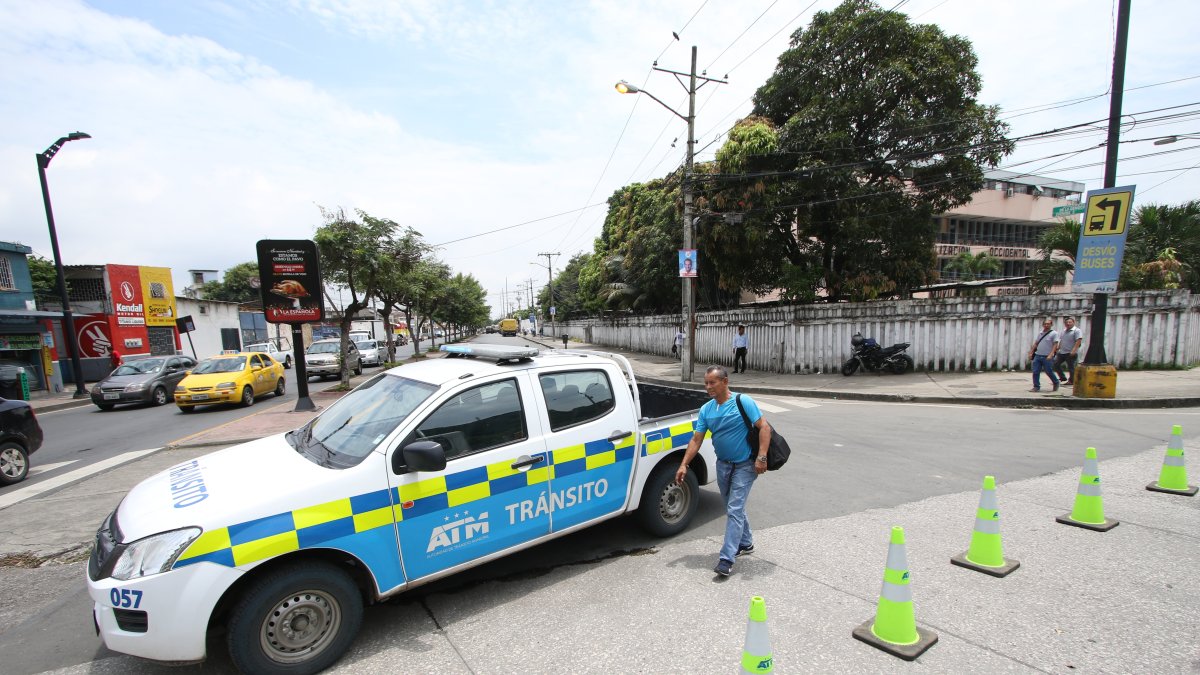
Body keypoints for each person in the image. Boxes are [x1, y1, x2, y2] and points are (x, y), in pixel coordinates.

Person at [675, 365, 772, 577]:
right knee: (732, 506)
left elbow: (764, 428)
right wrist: (684, 464)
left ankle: (726, 558)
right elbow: (696, 439)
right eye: (706, 383)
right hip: (723, 465)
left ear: (725, 382)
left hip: (746, 464)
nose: (708, 387)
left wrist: (761, 457)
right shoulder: (706, 410)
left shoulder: (742, 402)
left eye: (712, 382)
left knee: (735, 508)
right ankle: (745, 542)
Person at [1028, 318, 1060, 392]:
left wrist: (1051, 354)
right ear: (1043, 325)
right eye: (1045, 324)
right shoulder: (1040, 333)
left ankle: (1056, 382)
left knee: (1048, 371)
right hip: (1038, 355)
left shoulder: (1054, 333)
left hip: (1047, 356)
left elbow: (1055, 344)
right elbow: (1036, 343)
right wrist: (1031, 352)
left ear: (1051, 325)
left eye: (1048, 324)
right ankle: (1036, 386)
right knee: (1035, 371)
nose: (1046, 325)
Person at [1054, 316, 1083, 385]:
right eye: (1066, 322)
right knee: (1056, 364)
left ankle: (1072, 381)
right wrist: (1058, 348)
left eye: (1070, 322)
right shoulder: (1064, 331)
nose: (1068, 323)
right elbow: (1061, 340)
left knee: (1071, 367)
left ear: (1073, 323)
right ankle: (1062, 377)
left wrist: (1074, 350)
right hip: (1062, 352)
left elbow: (1078, 341)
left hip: (1070, 352)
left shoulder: (1076, 331)